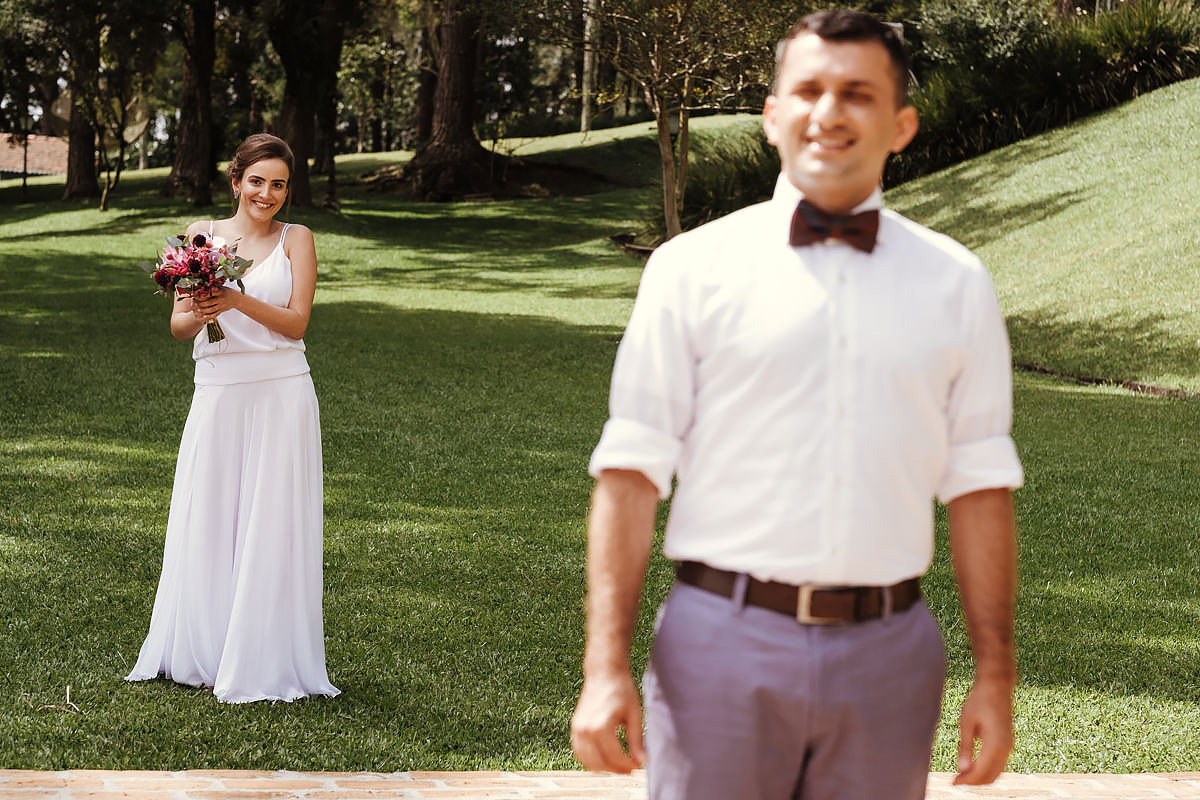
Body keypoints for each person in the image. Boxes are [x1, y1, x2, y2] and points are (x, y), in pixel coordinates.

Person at [570, 9, 1022, 799]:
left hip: (891, 654)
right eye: (808, 89)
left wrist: (997, 674)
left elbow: (980, 485)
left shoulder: (957, 283)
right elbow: (630, 473)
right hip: (719, 642)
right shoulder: (690, 270)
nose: (829, 110)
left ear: (901, 123)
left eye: (857, 92)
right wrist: (604, 667)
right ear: (773, 115)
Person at [126, 133, 339, 704]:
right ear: (236, 180)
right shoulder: (201, 236)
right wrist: (202, 306)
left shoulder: (300, 240)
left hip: (281, 393)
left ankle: (265, 655)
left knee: (272, 519)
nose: (266, 194)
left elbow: (297, 325)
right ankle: (206, 649)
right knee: (214, 515)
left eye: (279, 184)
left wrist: (236, 299)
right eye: (257, 181)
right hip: (218, 392)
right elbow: (177, 328)